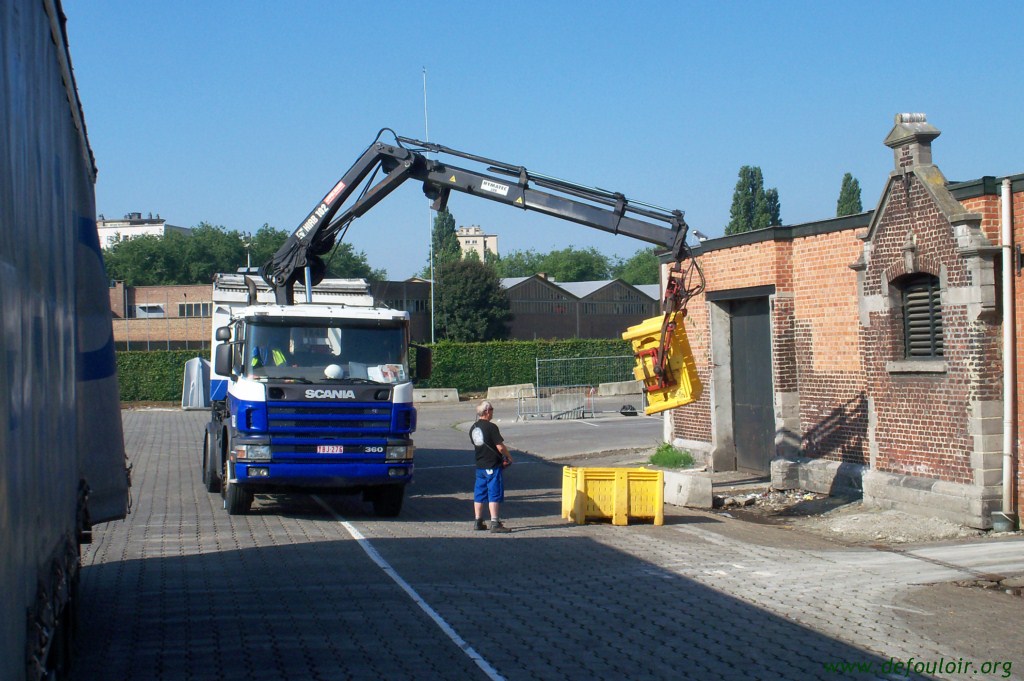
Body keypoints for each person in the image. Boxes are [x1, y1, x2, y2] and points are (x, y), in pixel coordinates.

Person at [470, 400, 512, 533]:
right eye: (492, 409)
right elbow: (499, 447)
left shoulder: (473, 428)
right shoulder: (491, 427)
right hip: (492, 465)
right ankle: (495, 522)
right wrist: (508, 456)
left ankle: (478, 521)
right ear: (487, 411)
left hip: (480, 465)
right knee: (494, 492)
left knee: (479, 493)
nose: (493, 412)